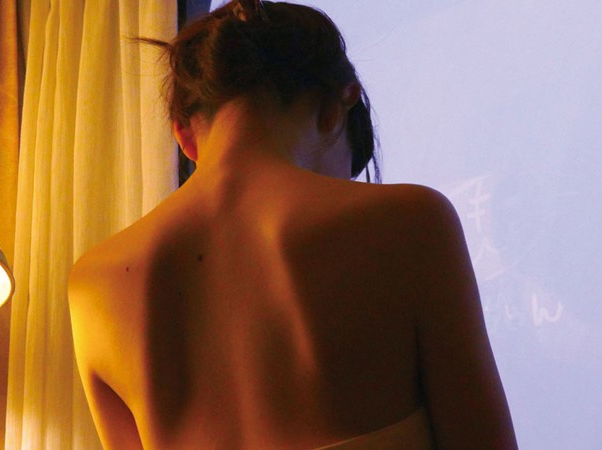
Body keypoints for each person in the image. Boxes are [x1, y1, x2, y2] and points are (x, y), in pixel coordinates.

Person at [68, 1, 517, 448]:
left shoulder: (93, 282)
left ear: (184, 134)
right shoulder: (411, 222)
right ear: (336, 107)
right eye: (347, 171)